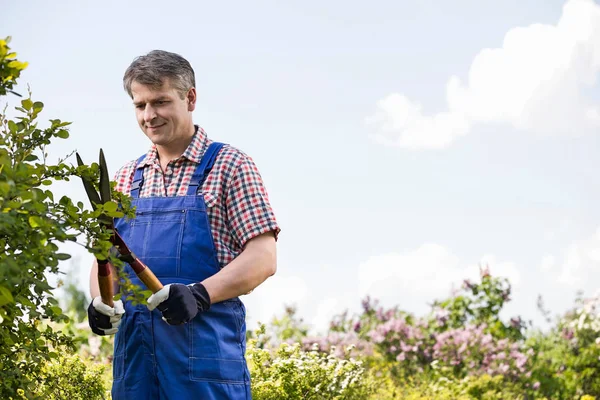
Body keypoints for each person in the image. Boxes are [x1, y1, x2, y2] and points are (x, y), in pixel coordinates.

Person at [86, 49, 280, 399]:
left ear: (190, 98)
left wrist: (199, 295)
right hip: (135, 368)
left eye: (160, 102)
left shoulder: (230, 166)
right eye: (139, 105)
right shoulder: (126, 178)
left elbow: (263, 257)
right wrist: (100, 301)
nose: (149, 115)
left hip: (204, 367)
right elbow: (107, 259)